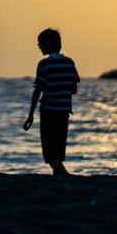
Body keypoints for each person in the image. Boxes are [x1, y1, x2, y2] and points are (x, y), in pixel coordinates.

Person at [22, 28, 80, 177]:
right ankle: (59, 178)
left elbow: (38, 90)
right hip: (64, 112)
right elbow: (74, 89)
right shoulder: (69, 63)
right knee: (58, 152)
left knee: (49, 153)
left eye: (40, 45)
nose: (39, 47)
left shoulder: (44, 64)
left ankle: (66, 177)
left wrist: (30, 114)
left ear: (47, 45)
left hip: (49, 111)